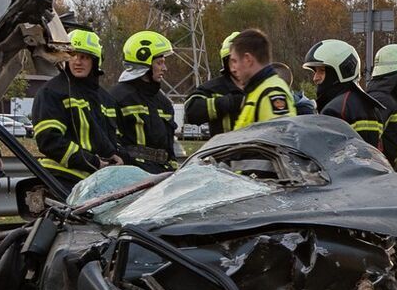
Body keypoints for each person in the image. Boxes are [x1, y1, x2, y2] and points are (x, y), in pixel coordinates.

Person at [32, 28, 122, 182]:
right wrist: (93, 162)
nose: (77, 62)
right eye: (72, 56)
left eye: (84, 57)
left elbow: (112, 140)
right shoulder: (51, 92)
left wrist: (117, 156)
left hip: (97, 180)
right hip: (61, 178)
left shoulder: (106, 98)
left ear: (95, 61)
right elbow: (49, 140)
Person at [305, 39, 391, 153]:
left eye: (321, 71)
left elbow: (326, 155)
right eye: (315, 71)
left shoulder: (335, 110)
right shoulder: (371, 106)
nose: (315, 78)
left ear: (341, 70)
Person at [113, 30, 182, 172]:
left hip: (163, 176)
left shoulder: (164, 103)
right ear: (144, 65)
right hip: (131, 176)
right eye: (159, 63)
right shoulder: (118, 97)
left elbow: (170, 148)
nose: (165, 68)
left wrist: (173, 172)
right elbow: (111, 142)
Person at [225, 29, 298, 130]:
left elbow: (279, 140)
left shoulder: (271, 93)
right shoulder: (257, 90)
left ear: (247, 59)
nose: (233, 68)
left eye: (234, 61)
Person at [185, 31, 244, 136]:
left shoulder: (261, 87)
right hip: (224, 151)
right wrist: (228, 102)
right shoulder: (214, 88)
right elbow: (191, 111)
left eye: (242, 60)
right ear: (225, 63)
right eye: (233, 61)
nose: (237, 66)